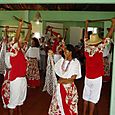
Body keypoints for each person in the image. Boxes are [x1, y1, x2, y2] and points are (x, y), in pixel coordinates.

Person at [82, 18, 115, 115]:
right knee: (93, 99)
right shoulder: (99, 48)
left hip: (88, 76)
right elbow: (108, 36)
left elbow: (85, 37)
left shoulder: (86, 48)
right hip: (96, 78)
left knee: (86, 97)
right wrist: (113, 24)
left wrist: (86, 25)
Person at [1, 20, 28, 115]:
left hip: (23, 77)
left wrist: (30, 29)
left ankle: (20, 113)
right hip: (15, 78)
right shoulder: (13, 50)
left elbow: (26, 40)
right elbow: (16, 39)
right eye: (20, 40)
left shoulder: (21, 51)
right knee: (13, 101)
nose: (21, 41)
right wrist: (20, 26)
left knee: (21, 99)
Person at [48, 44, 82, 115]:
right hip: (60, 86)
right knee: (57, 106)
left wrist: (62, 81)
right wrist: (51, 54)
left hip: (68, 88)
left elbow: (72, 79)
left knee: (68, 106)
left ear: (71, 52)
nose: (64, 53)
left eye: (66, 52)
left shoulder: (75, 63)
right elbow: (54, 57)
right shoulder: (62, 60)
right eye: (64, 52)